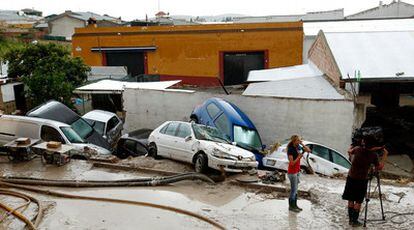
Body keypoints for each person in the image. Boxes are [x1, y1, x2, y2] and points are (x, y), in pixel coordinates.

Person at [342, 136, 388, 226]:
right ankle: (354, 221)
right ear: (372, 146)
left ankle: (351, 219)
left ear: (364, 143)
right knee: (358, 201)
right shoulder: (373, 155)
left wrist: (350, 148)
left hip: (351, 177)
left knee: (351, 198)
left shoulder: (357, 149)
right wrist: (385, 155)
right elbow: (379, 167)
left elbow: (350, 152)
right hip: (362, 180)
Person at [287, 135, 311, 212]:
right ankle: (291, 207)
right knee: (293, 190)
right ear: (294, 141)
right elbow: (291, 163)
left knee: (296, 190)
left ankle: (295, 205)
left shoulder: (298, 147)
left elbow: (308, 150)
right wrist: (299, 157)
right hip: (292, 172)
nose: (299, 142)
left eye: (299, 140)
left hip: (297, 171)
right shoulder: (290, 150)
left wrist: (302, 144)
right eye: (298, 140)